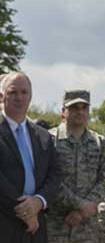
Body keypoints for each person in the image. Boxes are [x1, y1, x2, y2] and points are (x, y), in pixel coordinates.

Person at [0, 72, 60, 242]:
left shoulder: (43, 136)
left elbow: (55, 175)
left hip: (36, 228)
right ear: (1, 96)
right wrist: (25, 211)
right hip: (4, 222)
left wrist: (39, 201)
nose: (19, 97)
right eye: (13, 92)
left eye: (24, 92)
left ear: (31, 96)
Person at [47, 89, 105, 243]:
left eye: (84, 108)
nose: (80, 112)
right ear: (64, 111)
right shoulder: (49, 140)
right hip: (55, 226)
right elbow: (49, 179)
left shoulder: (100, 143)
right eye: (74, 107)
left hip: (88, 229)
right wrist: (79, 204)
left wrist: (83, 212)